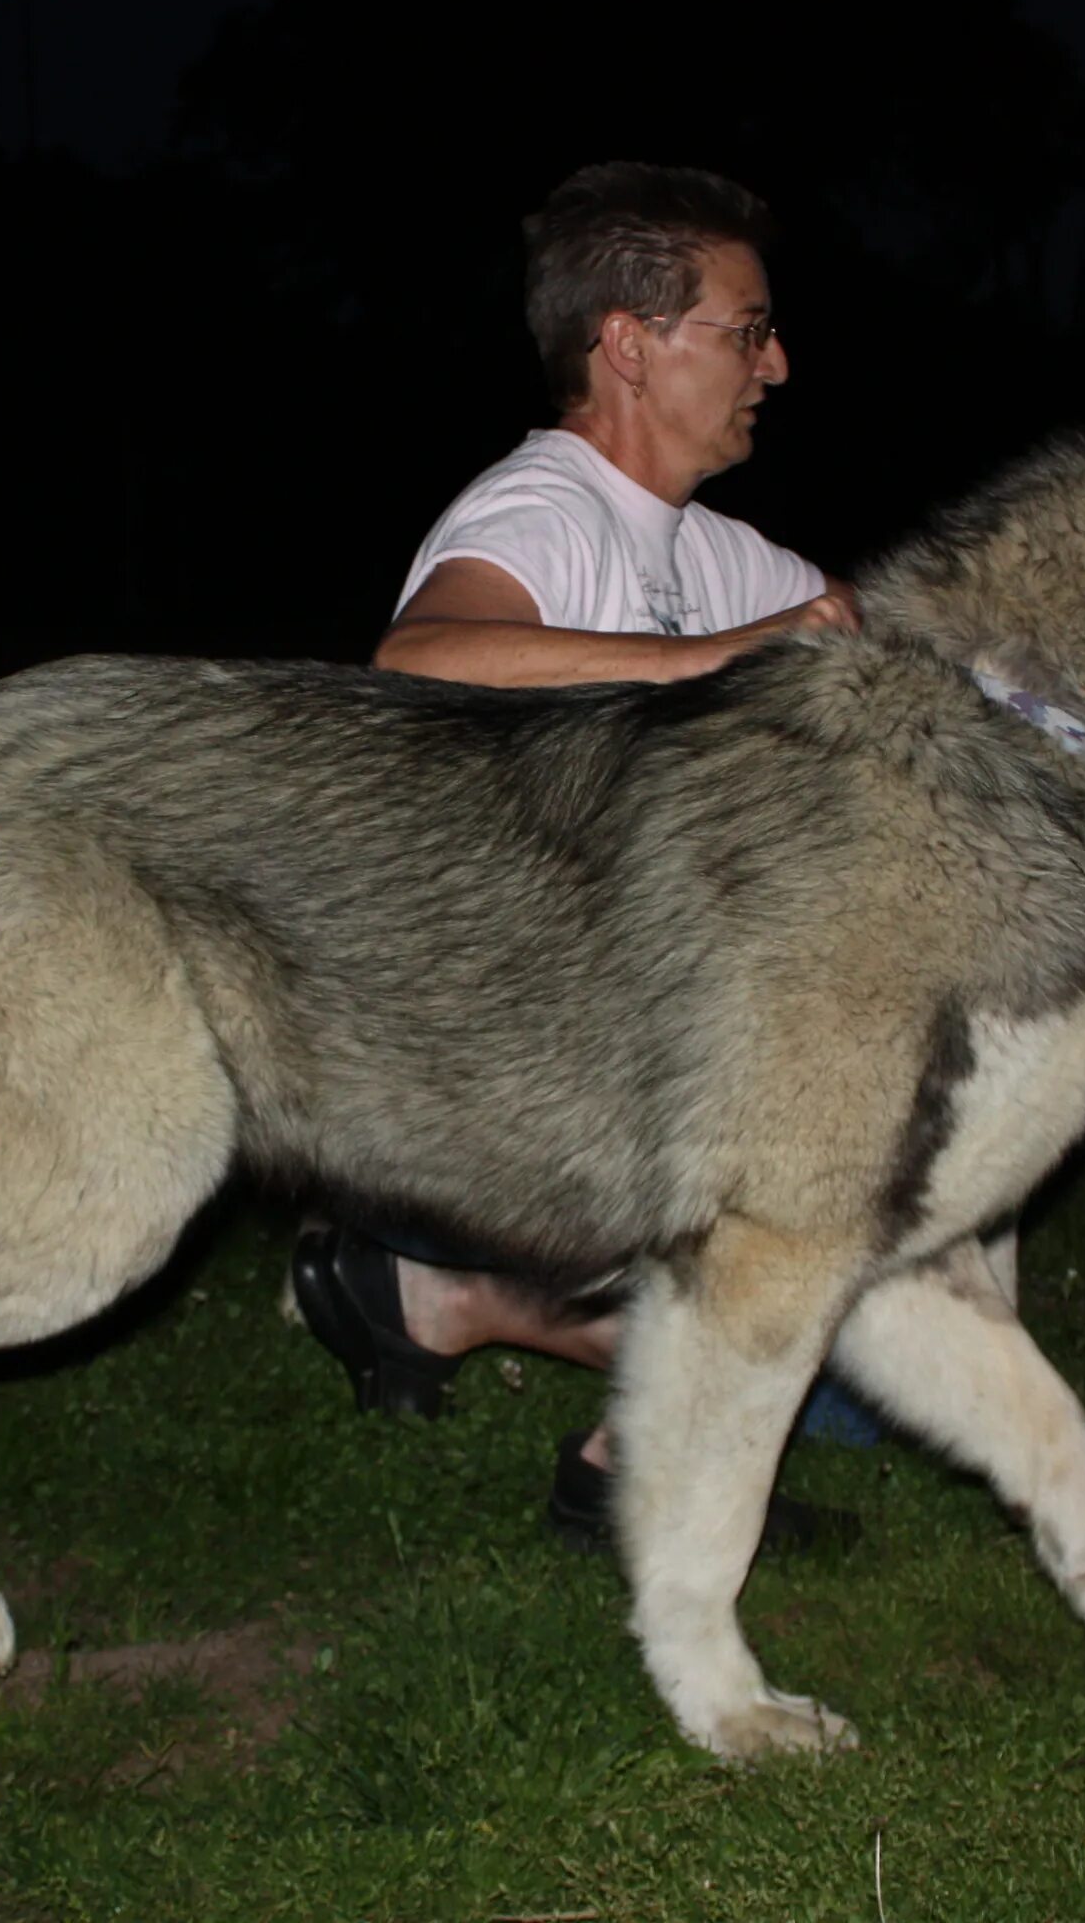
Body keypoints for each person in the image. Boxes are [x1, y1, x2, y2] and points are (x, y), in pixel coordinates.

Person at [291, 162, 863, 1554]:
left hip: (600, 1058)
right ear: (626, 342)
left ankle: (438, 1299)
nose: (776, 363)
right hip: (462, 1069)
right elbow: (419, 657)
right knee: (847, 1342)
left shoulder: (715, 553)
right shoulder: (539, 511)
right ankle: (629, 1464)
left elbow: (856, 629)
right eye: (746, 328)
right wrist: (720, 661)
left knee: (870, 1386)